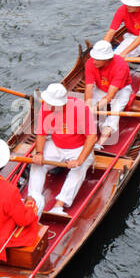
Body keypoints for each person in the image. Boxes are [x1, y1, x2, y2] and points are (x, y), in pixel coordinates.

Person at [28, 83, 97, 219]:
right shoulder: (46, 107)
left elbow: (92, 137)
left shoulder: (80, 109)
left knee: (80, 168)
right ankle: (34, 200)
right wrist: (39, 153)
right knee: (36, 163)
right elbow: (41, 133)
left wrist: (79, 160)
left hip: (78, 147)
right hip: (56, 144)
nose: (48, 106)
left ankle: (59, 205)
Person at [83, 41, 135, 147]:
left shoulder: (120, 66)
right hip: (100, 88)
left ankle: (100, 143)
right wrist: (88, 105)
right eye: (93, 57)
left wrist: (96, 108)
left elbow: (110, 96)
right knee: (85, 109)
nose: (94, 61)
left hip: (121, 90)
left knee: (115, 112)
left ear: (106, 59)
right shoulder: (90, 63)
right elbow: (88, 88)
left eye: (97, 59)